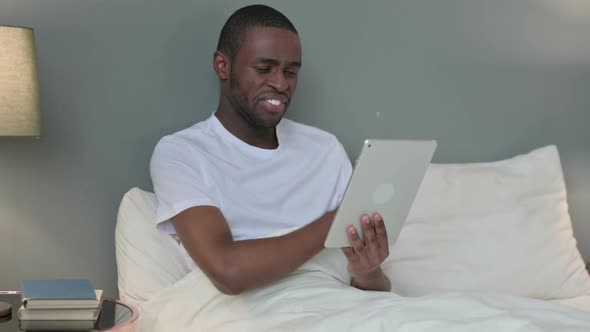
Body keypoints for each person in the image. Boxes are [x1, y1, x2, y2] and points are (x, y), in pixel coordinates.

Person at [150, 4, 391, 295]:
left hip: (342, 307)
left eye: (291, 72)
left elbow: (374, 290)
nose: (280, 84)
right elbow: (228, 271)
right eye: (264, 69)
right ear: (222, 66)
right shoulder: (182, 154)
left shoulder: (325, 149)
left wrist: (368, 271)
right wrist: (337, 220)